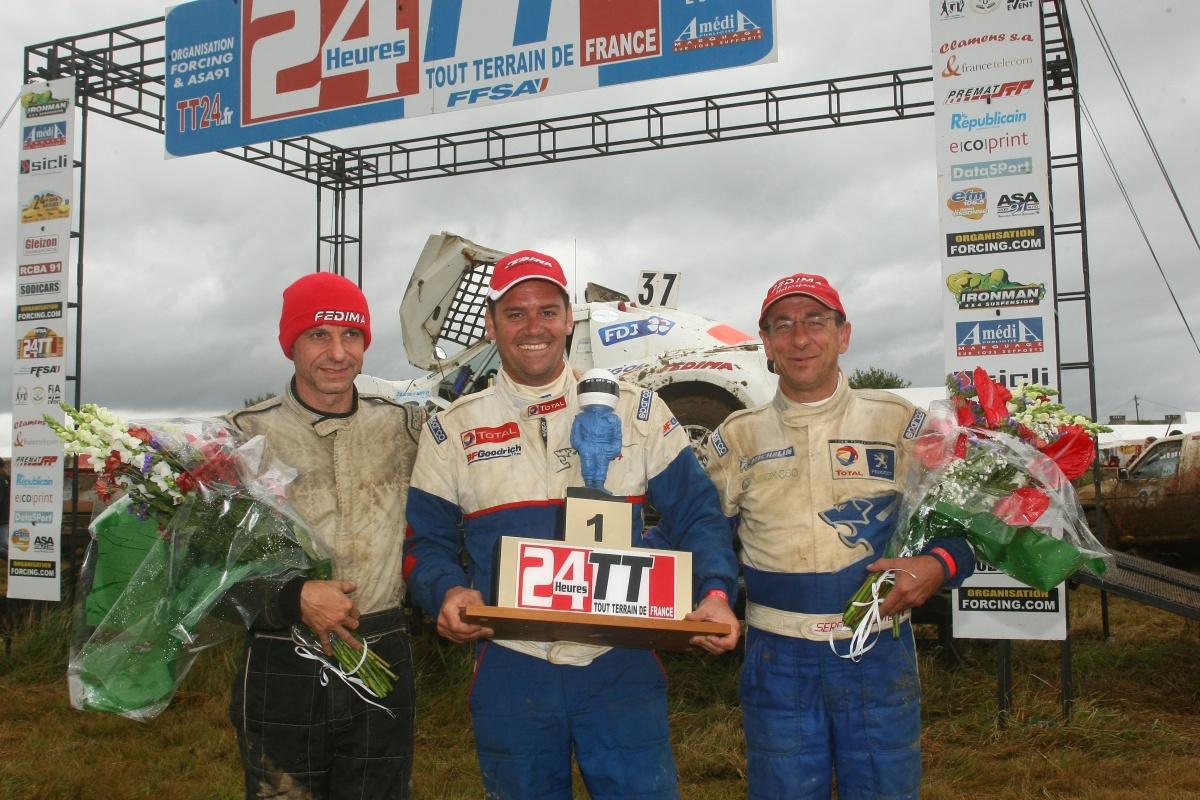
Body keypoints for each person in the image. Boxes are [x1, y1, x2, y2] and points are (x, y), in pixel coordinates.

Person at [403, 249, 740, 800]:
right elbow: (424, 542)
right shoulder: (452, 429)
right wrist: (443, 591)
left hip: (619, 660)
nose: (533, 327)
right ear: (492, 324)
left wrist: (717, 592)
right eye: (515, 313)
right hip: (513, 665)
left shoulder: (639, 409)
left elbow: (700, 513)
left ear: (568, 319)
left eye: (547, 311)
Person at [699, 273, 975, 800]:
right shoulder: (737, 436)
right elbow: (699, 531)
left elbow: (970, 519)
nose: (799, 338)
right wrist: (707, 593)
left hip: (876, 652)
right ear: (767, 344)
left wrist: (939, 564)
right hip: (777, 657)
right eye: (783, 325)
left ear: (844, 334)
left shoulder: (900, 423)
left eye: (815, 321)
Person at [226, 272, 422, 799]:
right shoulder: (243, 437)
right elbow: (207, 569)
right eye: (318, 335)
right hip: (281, 656)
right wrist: (293, 596)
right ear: (290, 344)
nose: (337, 353)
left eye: (351, 336)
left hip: (381, 644)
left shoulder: (405, 429)